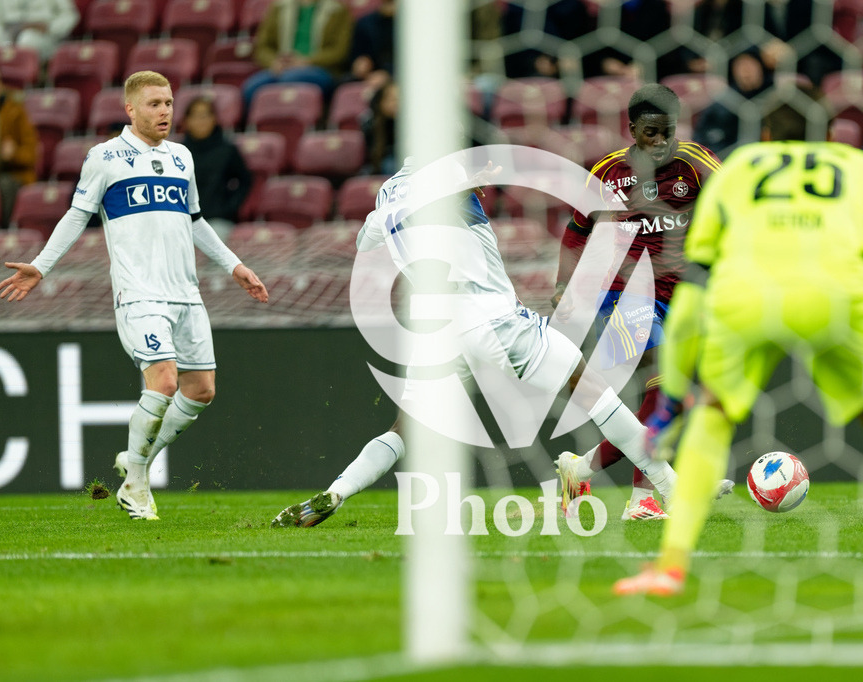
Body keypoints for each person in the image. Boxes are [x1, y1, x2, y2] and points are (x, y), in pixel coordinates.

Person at [613, 96, 863, 596]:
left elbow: (692, 291)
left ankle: (668, 569)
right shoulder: (859, 169)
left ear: (767, 139)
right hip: (836, 298)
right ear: (825, 138)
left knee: (711, 416)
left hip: (748, 298)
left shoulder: (737, 170)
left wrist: (671, 403)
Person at [271, 156, 679, 528]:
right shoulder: (447, 179)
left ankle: (336, 492)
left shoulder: (388, 195)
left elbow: (365, 240)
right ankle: (670, 488)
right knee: (594, 393)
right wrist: (464, 183)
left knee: (405, 427)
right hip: (495, 322)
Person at [0, 71, 270, 521]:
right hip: (139, 292)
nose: (164, 111)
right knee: (163, 380)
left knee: (200, 391)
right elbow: (75, 214)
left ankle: (136, 464)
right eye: (154, 104)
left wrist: (235, 266)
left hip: (186, 292)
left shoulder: (182, 157)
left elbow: (196, 220)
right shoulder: (105, 157)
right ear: (130, 109)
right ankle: (138, 486)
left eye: (168, 103)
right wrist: (41, 266)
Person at [550, 83, 733, 521]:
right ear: (632, 129)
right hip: (624, 294)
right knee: (664, 381)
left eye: (667, 131)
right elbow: (577, 229)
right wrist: (563, 286)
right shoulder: (609, 172)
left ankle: (581, 469)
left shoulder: (696, 164)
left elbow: (734, 202)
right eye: (651, 132)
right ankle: (643, 500)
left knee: (679, 397)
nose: (661, 141)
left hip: (683, 295)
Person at [243, 0, 354, 109]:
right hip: (282, 69)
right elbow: (262, 47)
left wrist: (306, 61)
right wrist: (274, 62)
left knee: (290, 79)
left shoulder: (337, 10)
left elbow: (339, 51)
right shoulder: (279, 7)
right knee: (251, 88)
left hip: (320, 69)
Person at [179, 96, 253, 239]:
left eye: (205, 115)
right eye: (195, 116)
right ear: (186, 121)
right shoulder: (178, 151)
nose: (201, 121)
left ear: (214, 119)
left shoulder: (227, 150)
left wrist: (228, 209)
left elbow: (245, 180)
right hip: (184, 219)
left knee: (214, 243)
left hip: (218, 220)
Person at [693, 47, 775, 157]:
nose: (746, 70)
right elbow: (703, 140)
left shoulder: (777, 97)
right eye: (740, 65)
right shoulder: (722, 103)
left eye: (751, 64)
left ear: (761, 67)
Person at [0, 64, 37, 229]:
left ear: (1, 86)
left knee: (5, 184)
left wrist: (14, 154)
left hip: (11, 174)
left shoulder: (15, 112)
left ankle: (4, 232)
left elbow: (31, 155)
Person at [0, 0, 79, 62]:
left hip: (43, 33)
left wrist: (50, 28)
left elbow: (70, 16)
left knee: (27, 40)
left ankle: (30, 81)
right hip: (11, 30)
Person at [349, 0, 395, 88]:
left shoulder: (415, 24)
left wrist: (389, 74)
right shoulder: (365, 23)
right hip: (370, 74)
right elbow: (357, 55)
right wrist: (360, 62)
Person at [360, 80, 397, 175]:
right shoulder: (371, 124)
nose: (396, 103)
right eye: (392, 99)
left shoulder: (414, 126)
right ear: (380, 102)